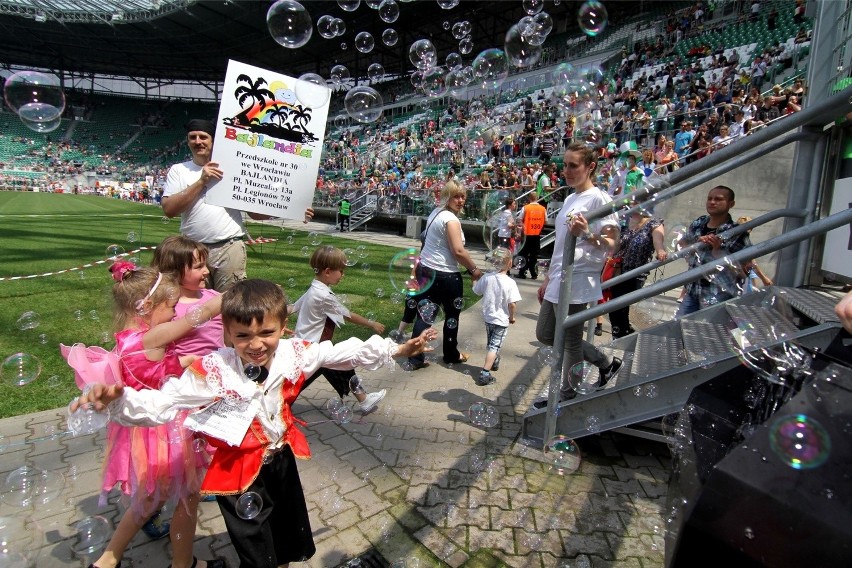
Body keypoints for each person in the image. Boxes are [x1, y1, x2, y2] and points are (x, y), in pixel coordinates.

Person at [71, 279, 437, 568]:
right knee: (256, 552)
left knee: (285, 543)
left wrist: (396, 348)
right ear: (227, 333)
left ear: (283, 327)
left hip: (281, 462)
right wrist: (119, 400)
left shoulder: (294, 354)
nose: (256, 344)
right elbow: (164, 402)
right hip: (238, 474)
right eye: (243, 335)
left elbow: (336, 353)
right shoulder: (215, 369)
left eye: (267, 333)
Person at [63, 263, 224, 568]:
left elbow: (171, 364)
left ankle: (108, 559)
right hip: (165, 428)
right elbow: (198, 316)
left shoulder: (129, 337)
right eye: (171, 307)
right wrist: (234, 293)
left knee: (151, 498)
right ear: (147, 306)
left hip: (141, 431)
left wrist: (207, 362)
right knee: (188, 496)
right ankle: (182, 564)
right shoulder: (152, 339)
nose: (176, 313)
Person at [536, 143, 623, 402]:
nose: (567, 170)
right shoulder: (571, 198)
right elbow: (562, 244)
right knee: (545, 334)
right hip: (559, 278)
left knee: (571, 341)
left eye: (574, 165)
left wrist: (586, 234)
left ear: (590, 167)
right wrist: (548, 277)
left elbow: (612, 243)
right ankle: (605, 362)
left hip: (578, 278)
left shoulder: (600, 198)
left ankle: (568, 395)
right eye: (565, 165)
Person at [161, 120, 258, 292]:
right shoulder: (179, 170)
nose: (198, 141)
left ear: (213, 140)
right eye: (193, 137)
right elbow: (169, 209)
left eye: (203, 137)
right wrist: (202, 181)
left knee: (230, 303)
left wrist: (295, 211)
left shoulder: (233, 167)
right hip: (192, 250)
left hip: (229, 246)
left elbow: (257, 214)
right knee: (196, 304)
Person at [293, 246, 388, 413]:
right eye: (341, 271)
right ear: (328, 272)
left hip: (312, 345)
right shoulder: (322, 296)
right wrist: (371, 324)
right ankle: (276, 402)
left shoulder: (314, 288)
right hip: (314, 348)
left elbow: (293, 307)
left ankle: (364, 399)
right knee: (297, 382)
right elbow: (347, 315)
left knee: (341, 364)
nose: (343, 275)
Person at [407, 180, 483, 369]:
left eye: (463, 196)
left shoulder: (436, 213)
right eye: (455, 196)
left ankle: (414, 357)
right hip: (445, 275)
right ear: (446, 197)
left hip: (427, 269)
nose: (460, 200)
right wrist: (474, 270)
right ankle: (450, 354)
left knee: (424, 315)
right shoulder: (450, 219)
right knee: (451, 316)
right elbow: (458, 251)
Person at [677, 186, 752, 316]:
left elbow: (743, 271)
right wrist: (696, 241)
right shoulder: (699, 223)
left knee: (705, 332)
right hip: (693, 289)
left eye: (718, 199)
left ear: (731, 204)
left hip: (717, 294)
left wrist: (719, 251)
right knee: (678, 329)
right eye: (709, 198)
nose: (712, 202)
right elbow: (681, 245)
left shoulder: (736, 232)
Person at [152, 235, 224, 359]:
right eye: (199, 267)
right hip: (185, 372)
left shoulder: (214, 297)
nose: (206, 271)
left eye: (205, 265)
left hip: (219, 367)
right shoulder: (167, 310)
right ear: (174, 271)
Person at [604, 207, 667, 338]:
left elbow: (658, 239)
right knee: (616, 308)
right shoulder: (626, 223)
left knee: (618, 307)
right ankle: (623, 334)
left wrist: (660, 250)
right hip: (618, 271)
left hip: (635, 274)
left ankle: (622, 336)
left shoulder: (654, 223)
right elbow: (616, 247)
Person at [472, 248, 521, 386]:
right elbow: (512, 304)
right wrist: (512, 317)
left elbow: (476, 291)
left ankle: (494, 360)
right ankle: (485, 374)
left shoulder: (487, 277)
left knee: (492, 343)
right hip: (501, 320)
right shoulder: (511, 283)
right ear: (510, 263)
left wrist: (474, 280)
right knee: (494, 346)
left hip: (488, 318)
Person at [515, 194, 547, 279]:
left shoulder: (526, 208)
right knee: (534, 255)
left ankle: (522, 272)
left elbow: (519, 219)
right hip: (536, 234)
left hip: (526, 234)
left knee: (523, 254)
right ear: (537, 198)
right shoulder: (543, 209)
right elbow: (546, 221)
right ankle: (534, 274)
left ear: (529, 198)